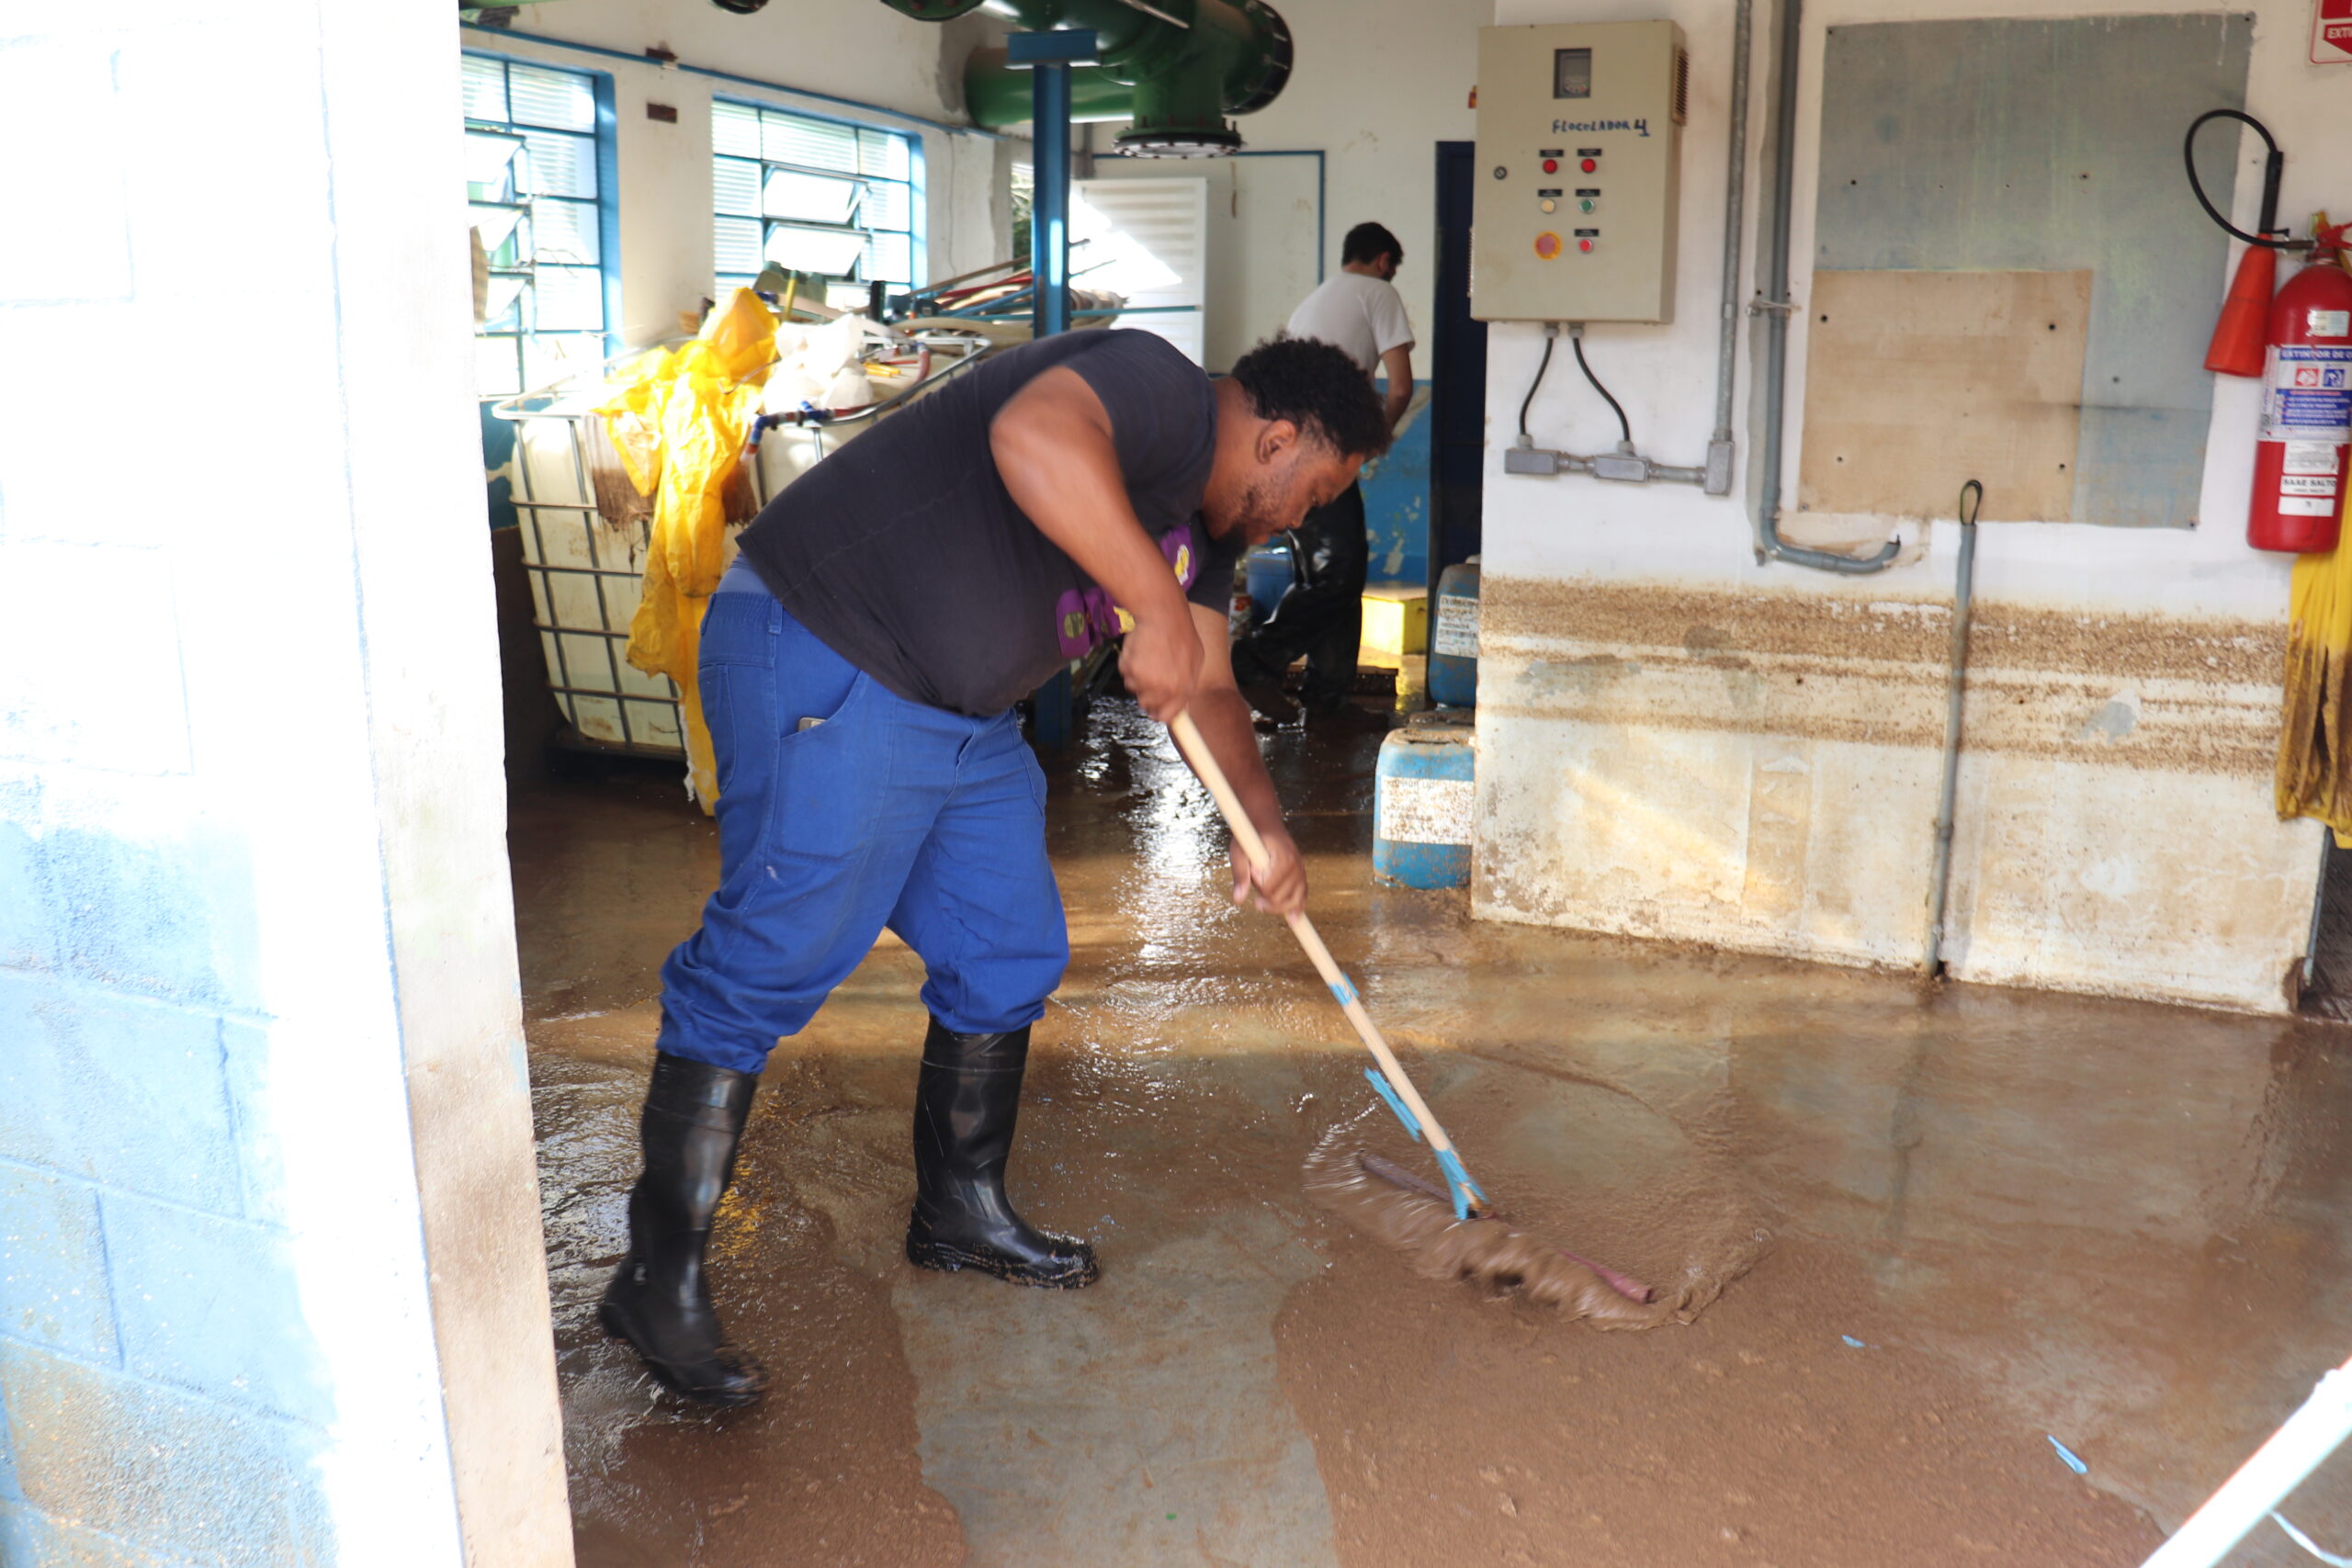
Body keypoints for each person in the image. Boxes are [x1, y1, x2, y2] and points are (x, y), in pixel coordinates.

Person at [598, 328, 1392, 1407]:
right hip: (832, 645)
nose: (1302, 517)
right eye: (1315, 491)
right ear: (1277, 438)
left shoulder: (1192, 543)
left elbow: (1204, 685)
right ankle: (657, 1278)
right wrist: (1150, 610)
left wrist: (1266, 826)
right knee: (776, 954)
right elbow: (1034, 433)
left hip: (958, 715)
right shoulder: (1160, 391)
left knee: (1006, 946)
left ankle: (957, 1213)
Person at [1230, 222, 1416, 723]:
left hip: (1283, 452)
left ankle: (1327, 698)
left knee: (1332, 575)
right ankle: (1254, 661)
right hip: (1322, 454)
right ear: (1383, 261)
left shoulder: (1313, 300)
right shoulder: (1378, 291)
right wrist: (1372, 442)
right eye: (1391, 267)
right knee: (1338, 577)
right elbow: (1399, 386)